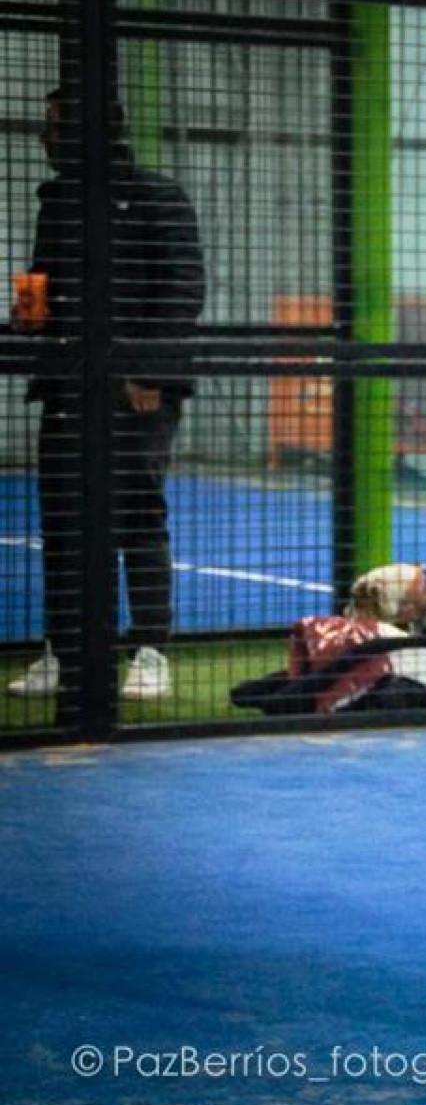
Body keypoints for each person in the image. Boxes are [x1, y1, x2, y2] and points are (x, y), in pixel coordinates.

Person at [9, 84, 205, 708]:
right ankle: (65, 651)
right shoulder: (57, 201)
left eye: (54, 124)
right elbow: (40, 278)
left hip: (137, 390)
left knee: (136, 513)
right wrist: (28, 315)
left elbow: (183, 290)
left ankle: (150, 651)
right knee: (63, 518)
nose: (44, 135)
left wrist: (147, 372)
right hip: (69, 383)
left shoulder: (157, 197)